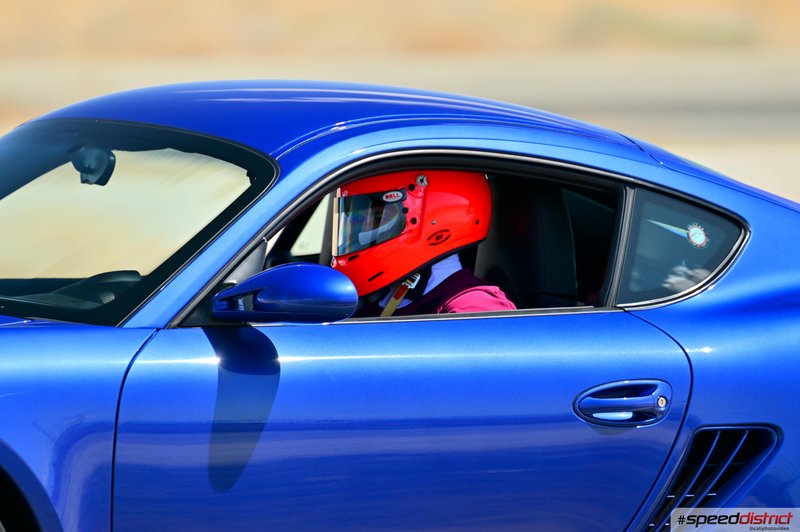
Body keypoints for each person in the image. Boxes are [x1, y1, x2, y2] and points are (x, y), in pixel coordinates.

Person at [330, 169, 516, 317]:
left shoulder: (474, 306)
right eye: (359, 219)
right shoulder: (386, 300)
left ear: (435, 221)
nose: (362, 230)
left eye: (377, 216)